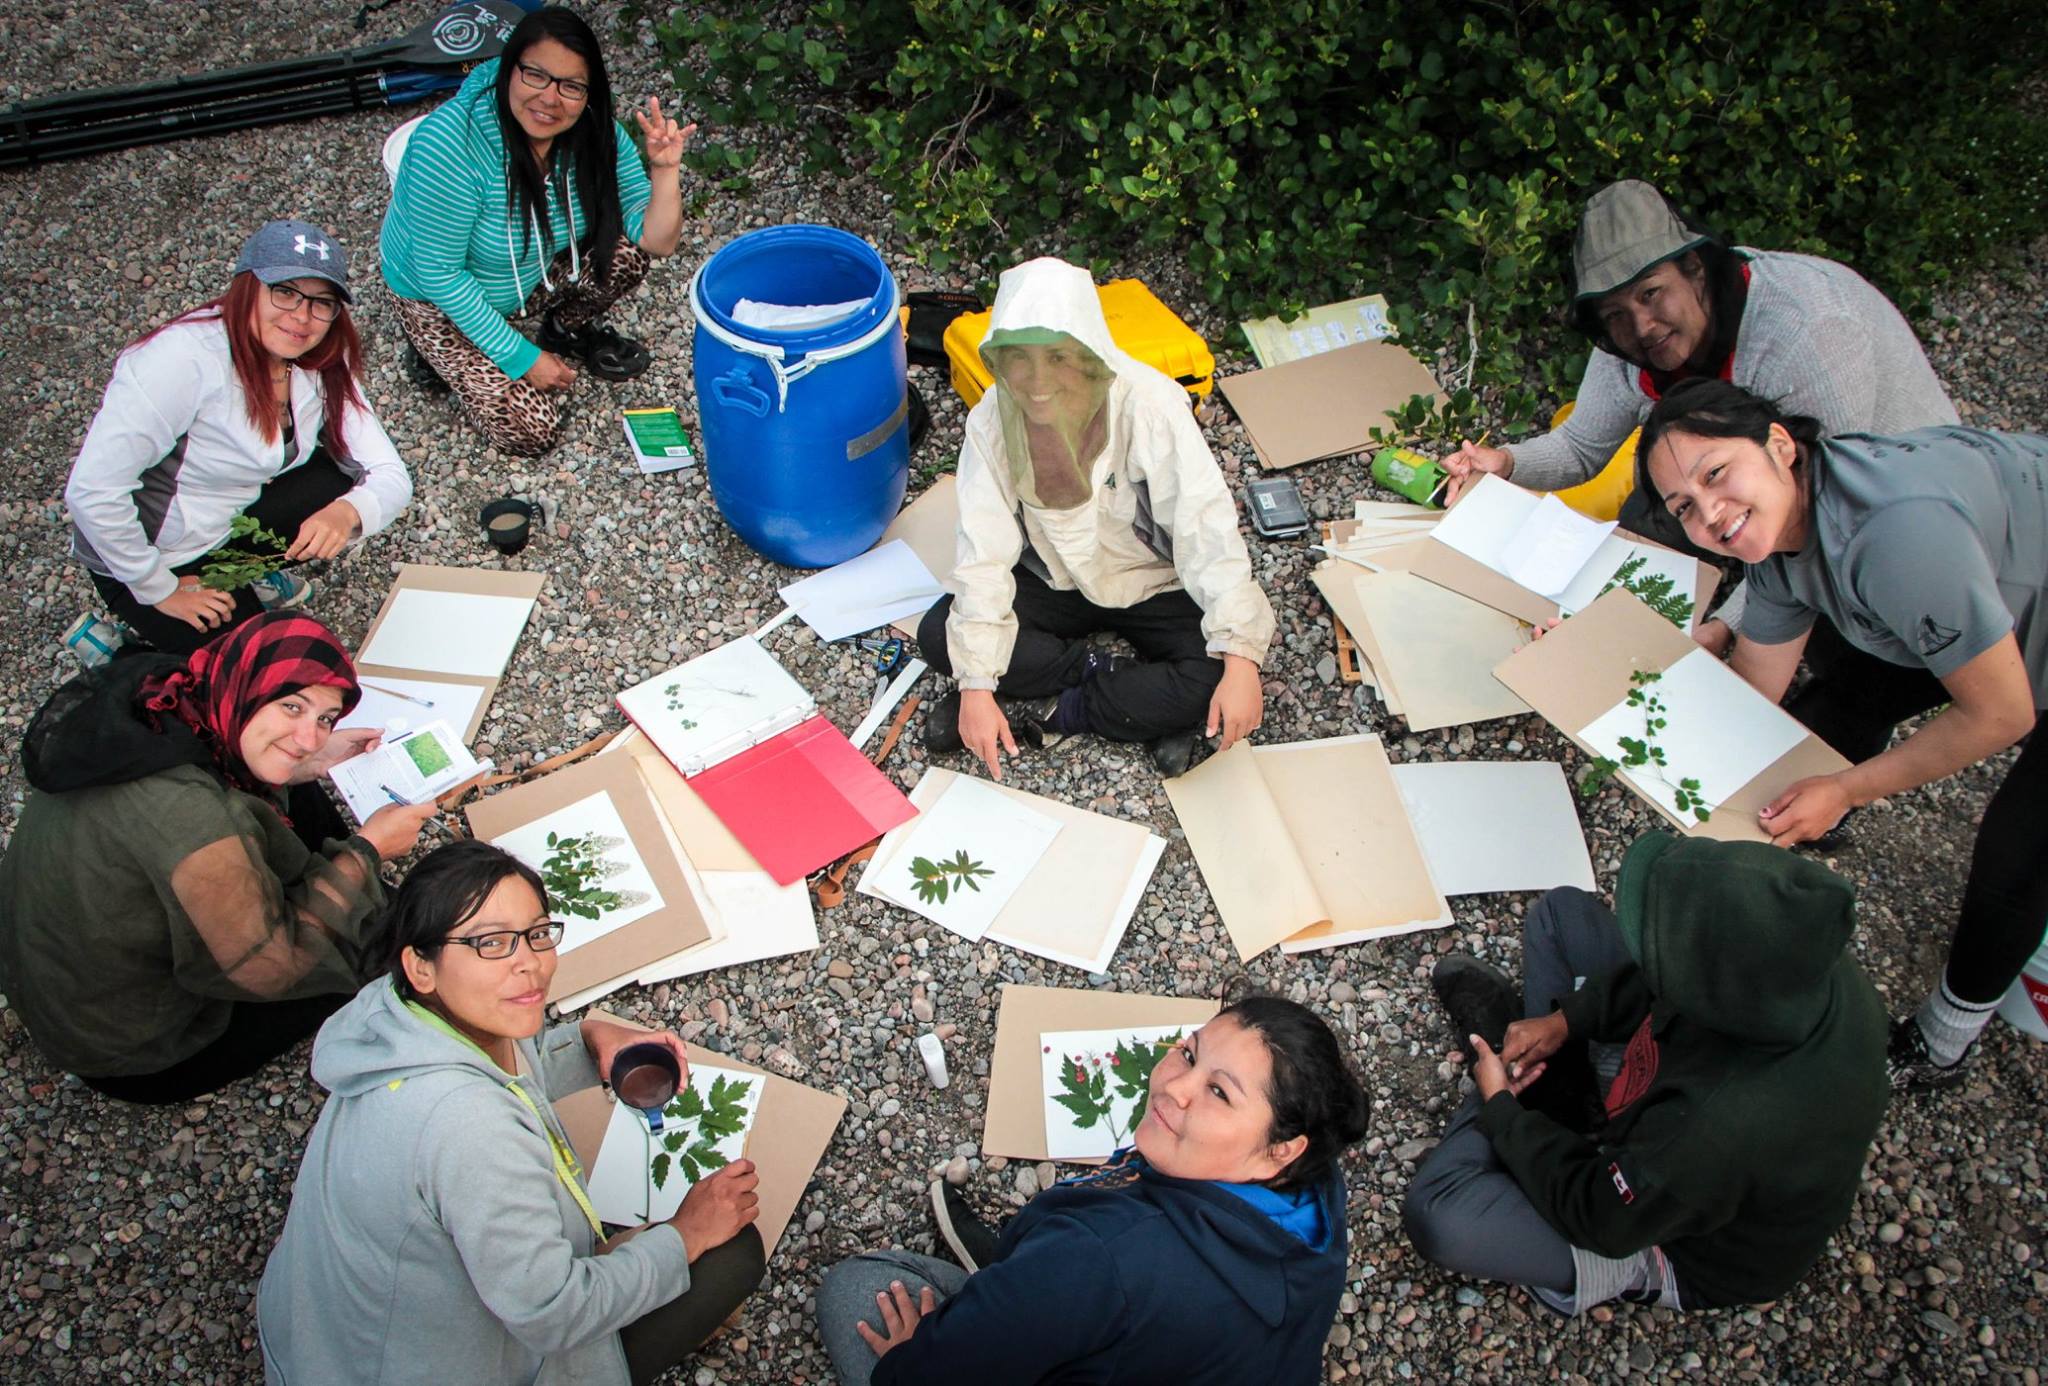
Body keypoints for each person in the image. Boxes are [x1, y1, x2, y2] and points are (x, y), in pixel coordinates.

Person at [1635, 379, 2046, 1089]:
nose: (1712, 515)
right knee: (1842, 696)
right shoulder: (1777, 537)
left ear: (1779, 445)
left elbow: (2003, 716)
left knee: (2020, 855)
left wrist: (1846, 786)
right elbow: (1758, 694)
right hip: (1990, 596)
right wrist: (1641, 691)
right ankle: (1806, 820)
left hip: (2007, 622)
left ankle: (1940, 1045)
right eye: (1685, 509)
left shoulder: (1896, 538)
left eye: (1716, 475)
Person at [257, 840, 766, 1386]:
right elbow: (555, 1313)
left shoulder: (398, 1014)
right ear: (421, 965)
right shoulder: (469, 1129)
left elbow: (506, 1065)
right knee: (732, 1253)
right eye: (491, 943)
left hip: (317, 1340)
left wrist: (590, 1035)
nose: (529, 963)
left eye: (538, 933)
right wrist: (687, 1234)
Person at [1437, 178, 1956, 655]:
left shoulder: (1806, 336)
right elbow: (1581, 447)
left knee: (1841, 658)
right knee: (1651, 513)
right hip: (1768, 485)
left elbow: (1813, 518)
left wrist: (1723, 631)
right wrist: (1504, 462)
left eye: (1651, 294)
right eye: (1616, 313)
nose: (1642, 325)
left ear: (1696, 270)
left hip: (1889, 505)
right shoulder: (1628, 340)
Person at [1404, 832, 1888, 1314]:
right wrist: (1564, 1021)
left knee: (1441, 1215)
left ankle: (1501, 1075)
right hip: (1667, 1129)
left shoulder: (1722, 1126)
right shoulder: (1803, 967)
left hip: (1665, 1235)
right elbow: (1668, 980)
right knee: (1562, 914)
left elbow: (1600, 1217)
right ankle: (1548, 1087)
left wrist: (1502, 1110)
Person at [816, 994, 1369, 1385]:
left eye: (1219, 1094)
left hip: (1088, 1289)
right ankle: (1017, 1287)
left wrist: (908, 1368)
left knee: (854, 1291)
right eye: (1191, 1054)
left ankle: (1011, 1287)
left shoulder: (1099, 1255)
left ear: (1281, 1147)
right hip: (1141, 1329)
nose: (1174, 1086)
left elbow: (946, 1372)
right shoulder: (1315, 1184)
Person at [0, 612, 436, 1103]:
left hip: (65, 975)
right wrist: (367, 851)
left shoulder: (165, 695)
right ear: (246, 683)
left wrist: (310, 759)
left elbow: (271, 758)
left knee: (297, 784)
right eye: (292, 706)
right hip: (135, 1051)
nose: (311, 735)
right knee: (375, 946)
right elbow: (269, 966)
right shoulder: (193, 820)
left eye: (325, 718)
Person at [917, 256, 1275, 778]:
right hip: (1053, 575)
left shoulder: (1150, 405)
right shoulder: (991, 418)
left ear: (1090, 354)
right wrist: (975, 684)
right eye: (1021, 359)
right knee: (937, 634)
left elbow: (1206, 528)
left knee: (1220, 675)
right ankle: (1108, 681)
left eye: (1058, 358)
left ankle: (1054, 711)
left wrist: (1241, 658)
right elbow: (983, 551)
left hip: (1155, 582)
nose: (1038, 382)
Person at [65, 219, 413, 656]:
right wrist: (157, 586)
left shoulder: (321, 356)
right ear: (247, 287)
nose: (302, 317)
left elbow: (389, 474)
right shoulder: (180, 361)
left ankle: (247, 575)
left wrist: (347, 513)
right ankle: (120, 655)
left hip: (225, 519)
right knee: (260, 676)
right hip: (159, 554)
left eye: (322, 303)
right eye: (285, 291)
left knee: (341, 487)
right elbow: (92, 491)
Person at [381, 6, 691, 456]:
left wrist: (665, 171)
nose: (550, 99)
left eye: (570, 86)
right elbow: (439, 273)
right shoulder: (447, 146)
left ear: (589, 93)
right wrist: (521, 358)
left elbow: (656, 240)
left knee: (626, 255)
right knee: (531, 431)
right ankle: (434, 353)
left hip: (527, 272)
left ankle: (562, 330)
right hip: (437, 298)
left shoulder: (593, 131)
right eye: (536, 76)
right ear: (510, 70)